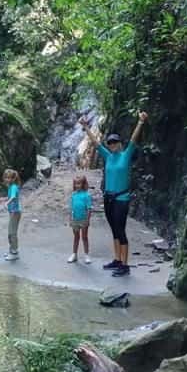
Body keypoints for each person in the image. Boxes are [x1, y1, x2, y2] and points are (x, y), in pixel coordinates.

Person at [79, 110, 148, 277]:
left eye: (115, 142)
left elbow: (133, 139)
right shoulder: (108, 156)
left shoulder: (126, 155)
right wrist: (86, 126)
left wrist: (140, 122)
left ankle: (125, 265)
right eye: (110, 143)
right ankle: (117, 259)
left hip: (121, 199)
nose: (112, 145)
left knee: (120, 230)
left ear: (119, 144)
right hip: (108, 198)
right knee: (114, 230)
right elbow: (95, 143)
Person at [68, 175, 93, 264]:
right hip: (75, 219)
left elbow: (89, 208)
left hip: (83, 219)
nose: (77, 186)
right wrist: (70, 219)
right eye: (75, 184)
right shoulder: (73, 195)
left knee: (84, 237)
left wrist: (88, 219)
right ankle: (74, 254)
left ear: (83, 184)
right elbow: (70, 208)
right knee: (76, 237)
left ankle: (86, 255)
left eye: (79, 183)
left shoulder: (87, 195)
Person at [2, 168, 22, 261]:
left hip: (15, 212)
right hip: (12, 212)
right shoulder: (10, 187)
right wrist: (4, 199)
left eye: (9, 178)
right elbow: (11, 196)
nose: (7, 179)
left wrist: (7, 203)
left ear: (13, 179)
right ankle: (12, 250)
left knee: (12, 233)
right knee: (11, 232)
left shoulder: (13, 186)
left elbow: (13, 197)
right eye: (6, 177)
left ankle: (14, 252)